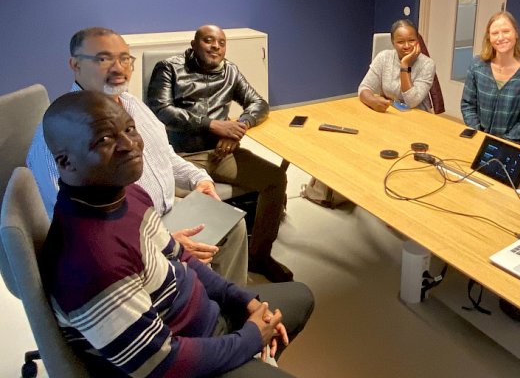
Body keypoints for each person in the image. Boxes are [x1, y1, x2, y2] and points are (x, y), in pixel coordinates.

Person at [40, 90, 314, 378]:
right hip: (178, 361)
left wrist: (242, 299)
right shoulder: (90, 262)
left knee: (301, 296)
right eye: (105, 139)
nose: (130, 144)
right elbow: (162, 363)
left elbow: (180, 256)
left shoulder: (126, 193)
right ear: (65, 162)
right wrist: (250, 339)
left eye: (129, 128)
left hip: (202, 321)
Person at [27, 27, 250, 285]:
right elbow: (74, 226)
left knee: (233, 227)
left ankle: (229, 305)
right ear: (75, 65)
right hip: (126, 241)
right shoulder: (59, 133)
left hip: (166, 215)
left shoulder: (133, 105)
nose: (118, 68)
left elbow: (165, 155)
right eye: (103, 59)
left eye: (124, 58)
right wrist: (161, 243)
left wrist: (198, 179)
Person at [147, 25, 292, 283]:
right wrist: (211, 124)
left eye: (222, 43)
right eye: (209, 40)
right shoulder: (169, 68)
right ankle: (189, 269)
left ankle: (260, 256)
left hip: (220, 153)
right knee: (181, 203)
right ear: (194, 44)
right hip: (180, 157)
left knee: (275, 178)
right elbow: (161, 110)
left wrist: (237, 128)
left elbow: (259, 103)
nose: (216, 46)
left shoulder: (230, 71)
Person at [460, 11, 520, 148]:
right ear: (489, 38)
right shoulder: (477, 65)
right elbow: (467, 105)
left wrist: (500, 144)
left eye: (506, 31)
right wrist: (479, 134)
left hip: (514, 145)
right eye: (495, 33)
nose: (500, 37)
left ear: (516, 33)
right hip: (479, 139)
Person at [358, 19, 436, 112]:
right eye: (400, 42)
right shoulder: (383, 57)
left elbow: (411, 102)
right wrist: (372, 101)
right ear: (393, 42)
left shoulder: (427, 64)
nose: (407, 46)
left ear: (418, 41)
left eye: (411, 40)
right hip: (390, 112)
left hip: (417, 116)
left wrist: (404, 65)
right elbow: (364, 87)